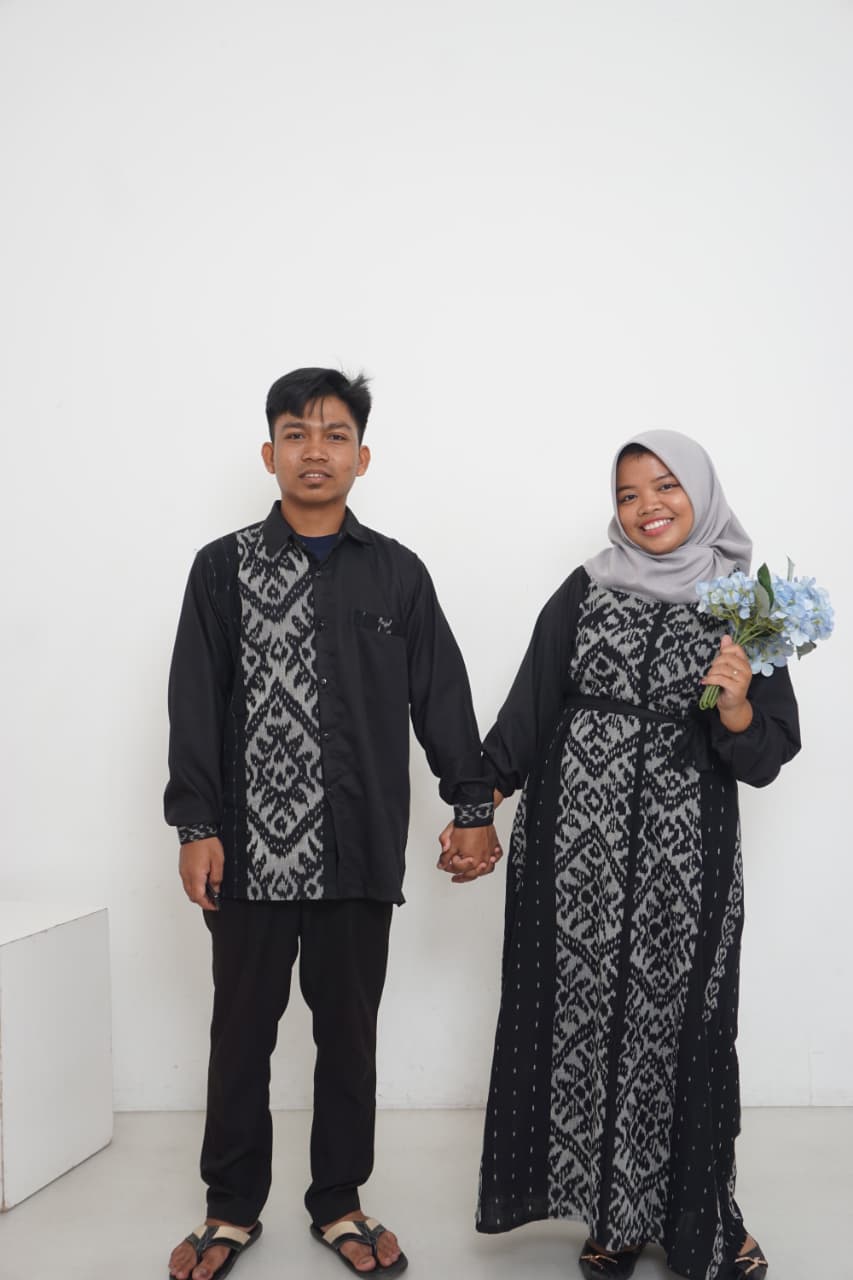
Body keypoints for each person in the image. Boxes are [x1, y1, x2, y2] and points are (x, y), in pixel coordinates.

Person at [439, 430, 800, 1280]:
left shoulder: (746, 606)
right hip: (574, 854)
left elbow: (767, 754)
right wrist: (474, 809)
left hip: (685, 858)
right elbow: (528, 710)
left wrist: (737, 707)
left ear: (702, 492)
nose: (647, 507)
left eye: (665, 486)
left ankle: (700, 1217)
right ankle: (612, 1214)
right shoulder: (585, 588)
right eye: (628, 494)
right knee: (585, 1019)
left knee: (682, 1030)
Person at [164, 367, 499, 1280]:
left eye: (335, 435)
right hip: (247, 858)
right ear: (269, 452)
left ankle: (338, 1201)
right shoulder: (221, 568)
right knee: (240, 1036)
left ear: (362, 456)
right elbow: (194, 702)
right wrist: (195, 825)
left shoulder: (397, 573)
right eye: (296, 434)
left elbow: (441, 698)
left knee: (348, 1037)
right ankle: (230, 1209)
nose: (315, 451)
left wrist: (472, 807)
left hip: (359, 849)